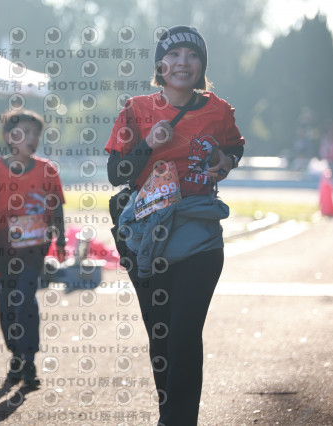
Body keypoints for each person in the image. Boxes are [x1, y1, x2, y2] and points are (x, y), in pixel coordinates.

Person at [105, 26, 245, 425]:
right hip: (146, 241)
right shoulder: (135, 110)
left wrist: (226, 160)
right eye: (174, 54)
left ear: (202, 65)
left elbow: (235, 146)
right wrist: (148, 143)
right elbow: (116, 174)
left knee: (184, 335)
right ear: (159, 65)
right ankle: (170, 415)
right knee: (161, 336)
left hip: (200, 238)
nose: (183, 62)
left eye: (193, 55)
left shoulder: (219, 111)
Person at [0, 109, 66, 386]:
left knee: (26, 298)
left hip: (35, 248)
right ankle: (16, 355)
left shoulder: (47, 170)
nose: (32, 138)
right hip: (3, 249)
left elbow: (57, 207)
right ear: (10, 137)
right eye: (25, 133)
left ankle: (29, 360)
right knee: (7, 302)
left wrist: (61, 240)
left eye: (36, 134)